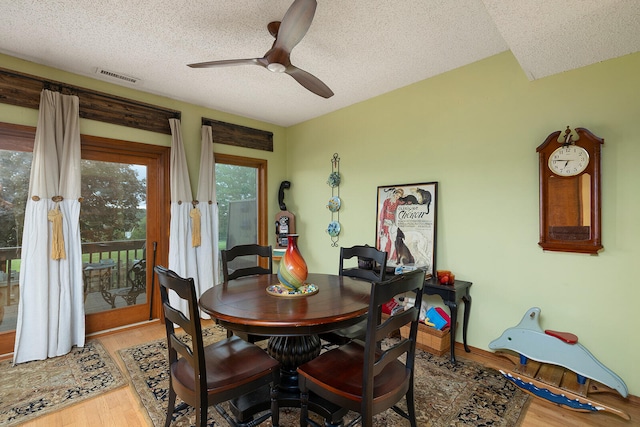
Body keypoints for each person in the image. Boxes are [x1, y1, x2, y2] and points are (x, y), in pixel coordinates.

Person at [378, 188, 403, 262]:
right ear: (394, 194)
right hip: (385, 219)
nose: (397, 197)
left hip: (392, 220)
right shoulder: (387, 201)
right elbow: (383, 211)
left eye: (399, 196)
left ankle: (391, 256)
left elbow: (403, 203)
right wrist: (382, 221)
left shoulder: (397, 202)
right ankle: (382, 255)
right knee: (383, 237)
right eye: (397, 195)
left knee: (391, 238)